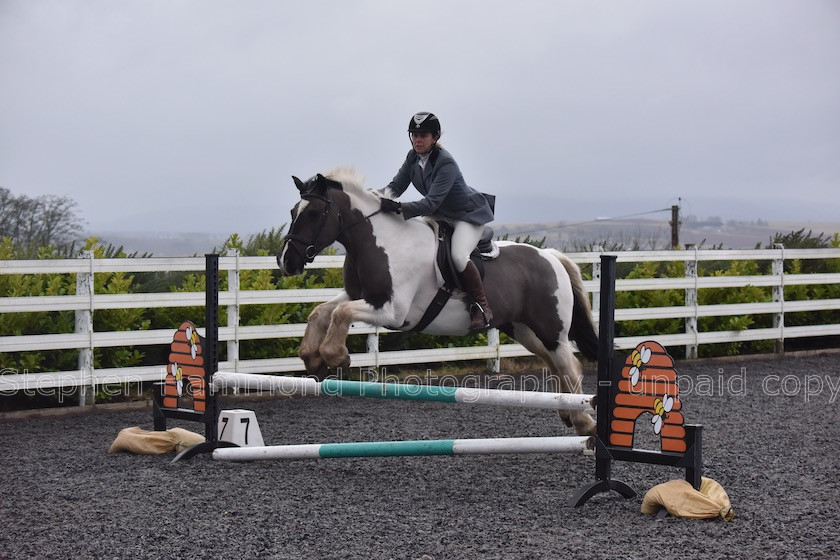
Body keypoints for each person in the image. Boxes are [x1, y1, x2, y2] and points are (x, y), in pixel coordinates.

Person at [380, 111, 496, 332]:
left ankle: (482, 307)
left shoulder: (446, 163)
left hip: (465, 215)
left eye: (423, 135)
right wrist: (372, 199)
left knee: (458, 256)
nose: (417, 139)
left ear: (434, 137)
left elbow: (430, 203)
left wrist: (399, 208)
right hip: (440, 215)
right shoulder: (412, 158)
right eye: (414, 134)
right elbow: (394, 188)